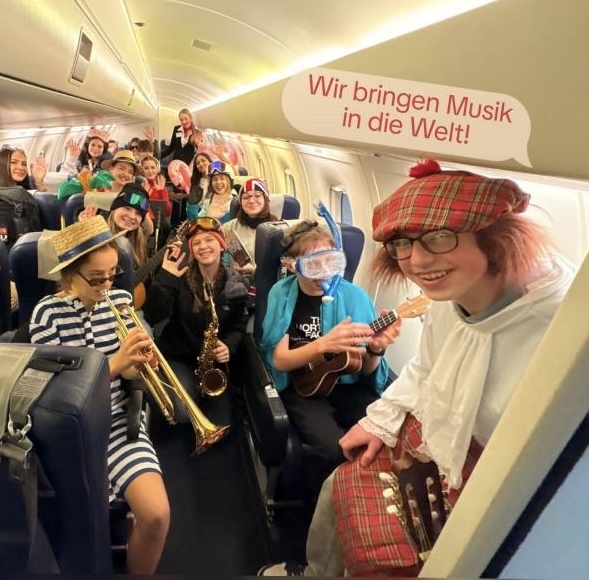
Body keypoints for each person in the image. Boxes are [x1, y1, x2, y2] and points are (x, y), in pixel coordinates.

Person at [258, 159, 576, 577]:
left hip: (508, 486)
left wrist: (373, 354)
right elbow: (425, 369)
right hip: (368, 408)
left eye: (440, 237)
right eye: (403, 244)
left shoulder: (567, 331)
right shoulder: (448, 300)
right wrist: (381, 421)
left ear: (497, 236)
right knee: (339, 477)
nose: (418, 261)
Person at [29, 216, 170, 575]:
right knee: (82, 526)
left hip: (118, 423)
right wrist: (116, 362)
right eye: (96, 278)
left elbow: (131, 373)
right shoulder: (47, 314)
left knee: (156, 515)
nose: (107, 285)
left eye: (112, 274)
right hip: (69, 435)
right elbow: (54, 391)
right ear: (69, 275)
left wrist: (141, 364)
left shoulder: (121, 300)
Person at [258, 220, 396, 505]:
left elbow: (365, 369)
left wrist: (376, 350)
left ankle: (369, 506)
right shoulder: (281, 294)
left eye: (330, 262)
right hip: (303, 387)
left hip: (349, 386)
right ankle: (320, 509)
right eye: (313, 264)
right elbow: (280, 361)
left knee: (383, 436)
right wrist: (323, 344)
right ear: (292, 265)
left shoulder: (355, 296)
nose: (323, 272)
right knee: (331, 449)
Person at [141, 217, 249, 428]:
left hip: (213, 365)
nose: (203, 246)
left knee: (223, 424)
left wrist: (229, 345)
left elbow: (239, 324)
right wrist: (165, 278)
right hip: (179, 358)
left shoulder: (236, 284)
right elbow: (152, 316)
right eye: (196, 243)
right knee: (182, 414)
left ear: (222, 245)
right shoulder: (178, 278)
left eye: (209, 240)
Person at [222, 178, 279, 283]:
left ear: (266, 199)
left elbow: (281, 269)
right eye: (246, 197)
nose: (251, 201)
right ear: (240, 202)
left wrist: (254, 271)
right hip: (236, 285)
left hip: (267, 285)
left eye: (257, 196)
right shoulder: (229, 228)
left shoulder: (277, 230)